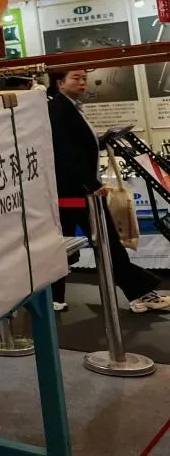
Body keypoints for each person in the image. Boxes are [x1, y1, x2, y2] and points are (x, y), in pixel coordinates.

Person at [48, 70, 170, 313]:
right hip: (78, 193)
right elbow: (65, 153)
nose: (82, 82)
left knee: (63, 247)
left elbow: (79, 146)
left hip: (75, 190)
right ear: (60, 83)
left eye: (84, 78)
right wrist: (91, 185)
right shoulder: (59, 109)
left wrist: (104, 140)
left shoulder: (71, 107)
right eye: (76, 78)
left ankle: (54, 298)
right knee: (107, 244)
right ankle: (139, 294)